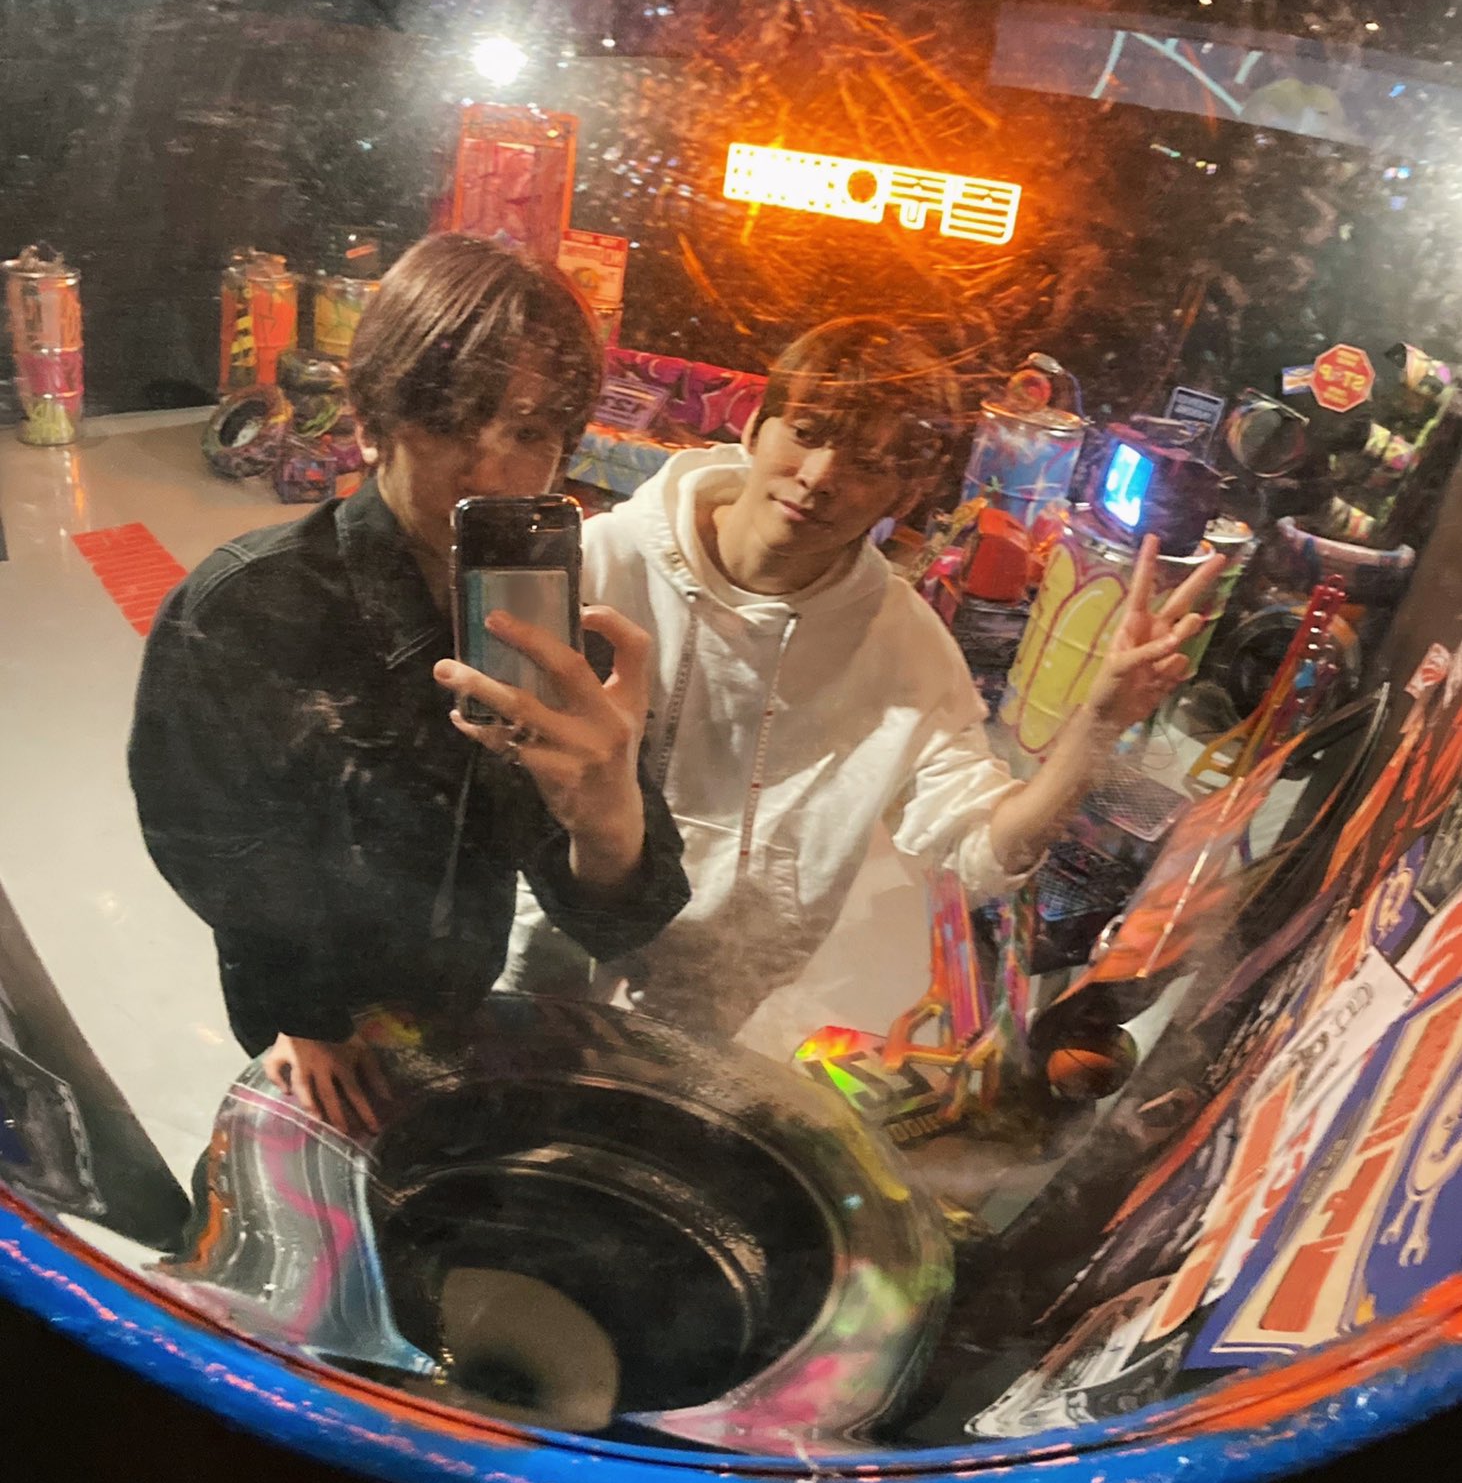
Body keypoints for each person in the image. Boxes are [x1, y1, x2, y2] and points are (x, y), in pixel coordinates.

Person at [504, 317, 1222, 1047]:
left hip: (716, 969)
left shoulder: (904, 647)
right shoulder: (594, 563)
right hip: (552, 917)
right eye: (807, 432)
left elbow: (980, 847)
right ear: (753, 427)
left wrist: (1099, 723)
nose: (821, 477)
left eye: (870, 465)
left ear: (903, 497)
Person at [130, 235, 689, 1134]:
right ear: (372, 422)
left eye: (529, 432)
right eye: (453, 421)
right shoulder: (250, 605)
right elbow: (212, 841)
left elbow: (618, 918)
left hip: (458, 1002)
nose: (489, 472)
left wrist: (610, 818)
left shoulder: (544, 624)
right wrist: (303, 1017)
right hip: (312, 1017)